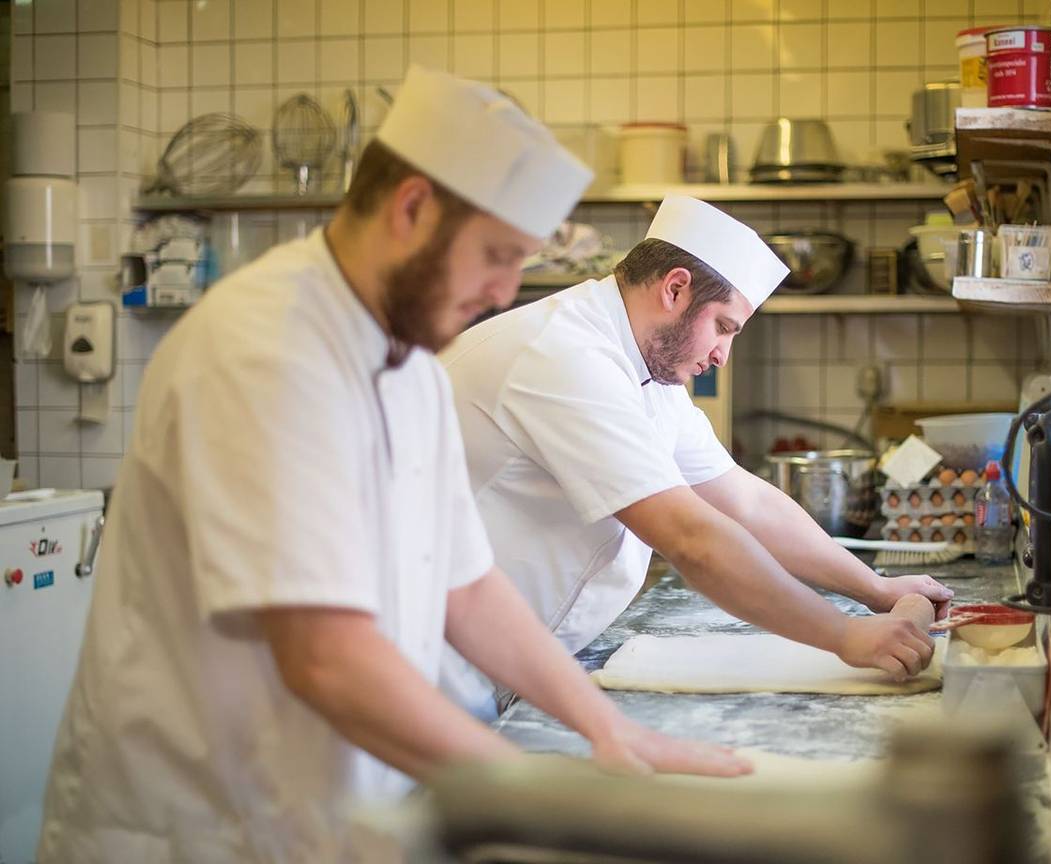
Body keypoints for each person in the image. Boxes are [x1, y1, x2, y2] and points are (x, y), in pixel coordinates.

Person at [38, 68, 749, 862]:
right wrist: (532, 797)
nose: (505, 290)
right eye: (496, 255)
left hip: (337, 808)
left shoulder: (406, 362)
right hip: (198, 824)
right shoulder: (264, 350)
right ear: (411, 208)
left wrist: (604, 726)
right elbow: (323, 656)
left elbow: (467, 586)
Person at [440, 195, 954, 720]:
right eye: (724, 327)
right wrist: (843, 635)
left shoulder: (644, 369)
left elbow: (743, 501)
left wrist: (875, 590)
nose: (721, 356)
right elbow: (691, 537)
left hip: (509, 661)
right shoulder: (563, 356)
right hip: (435, 671)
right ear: (675, 288)